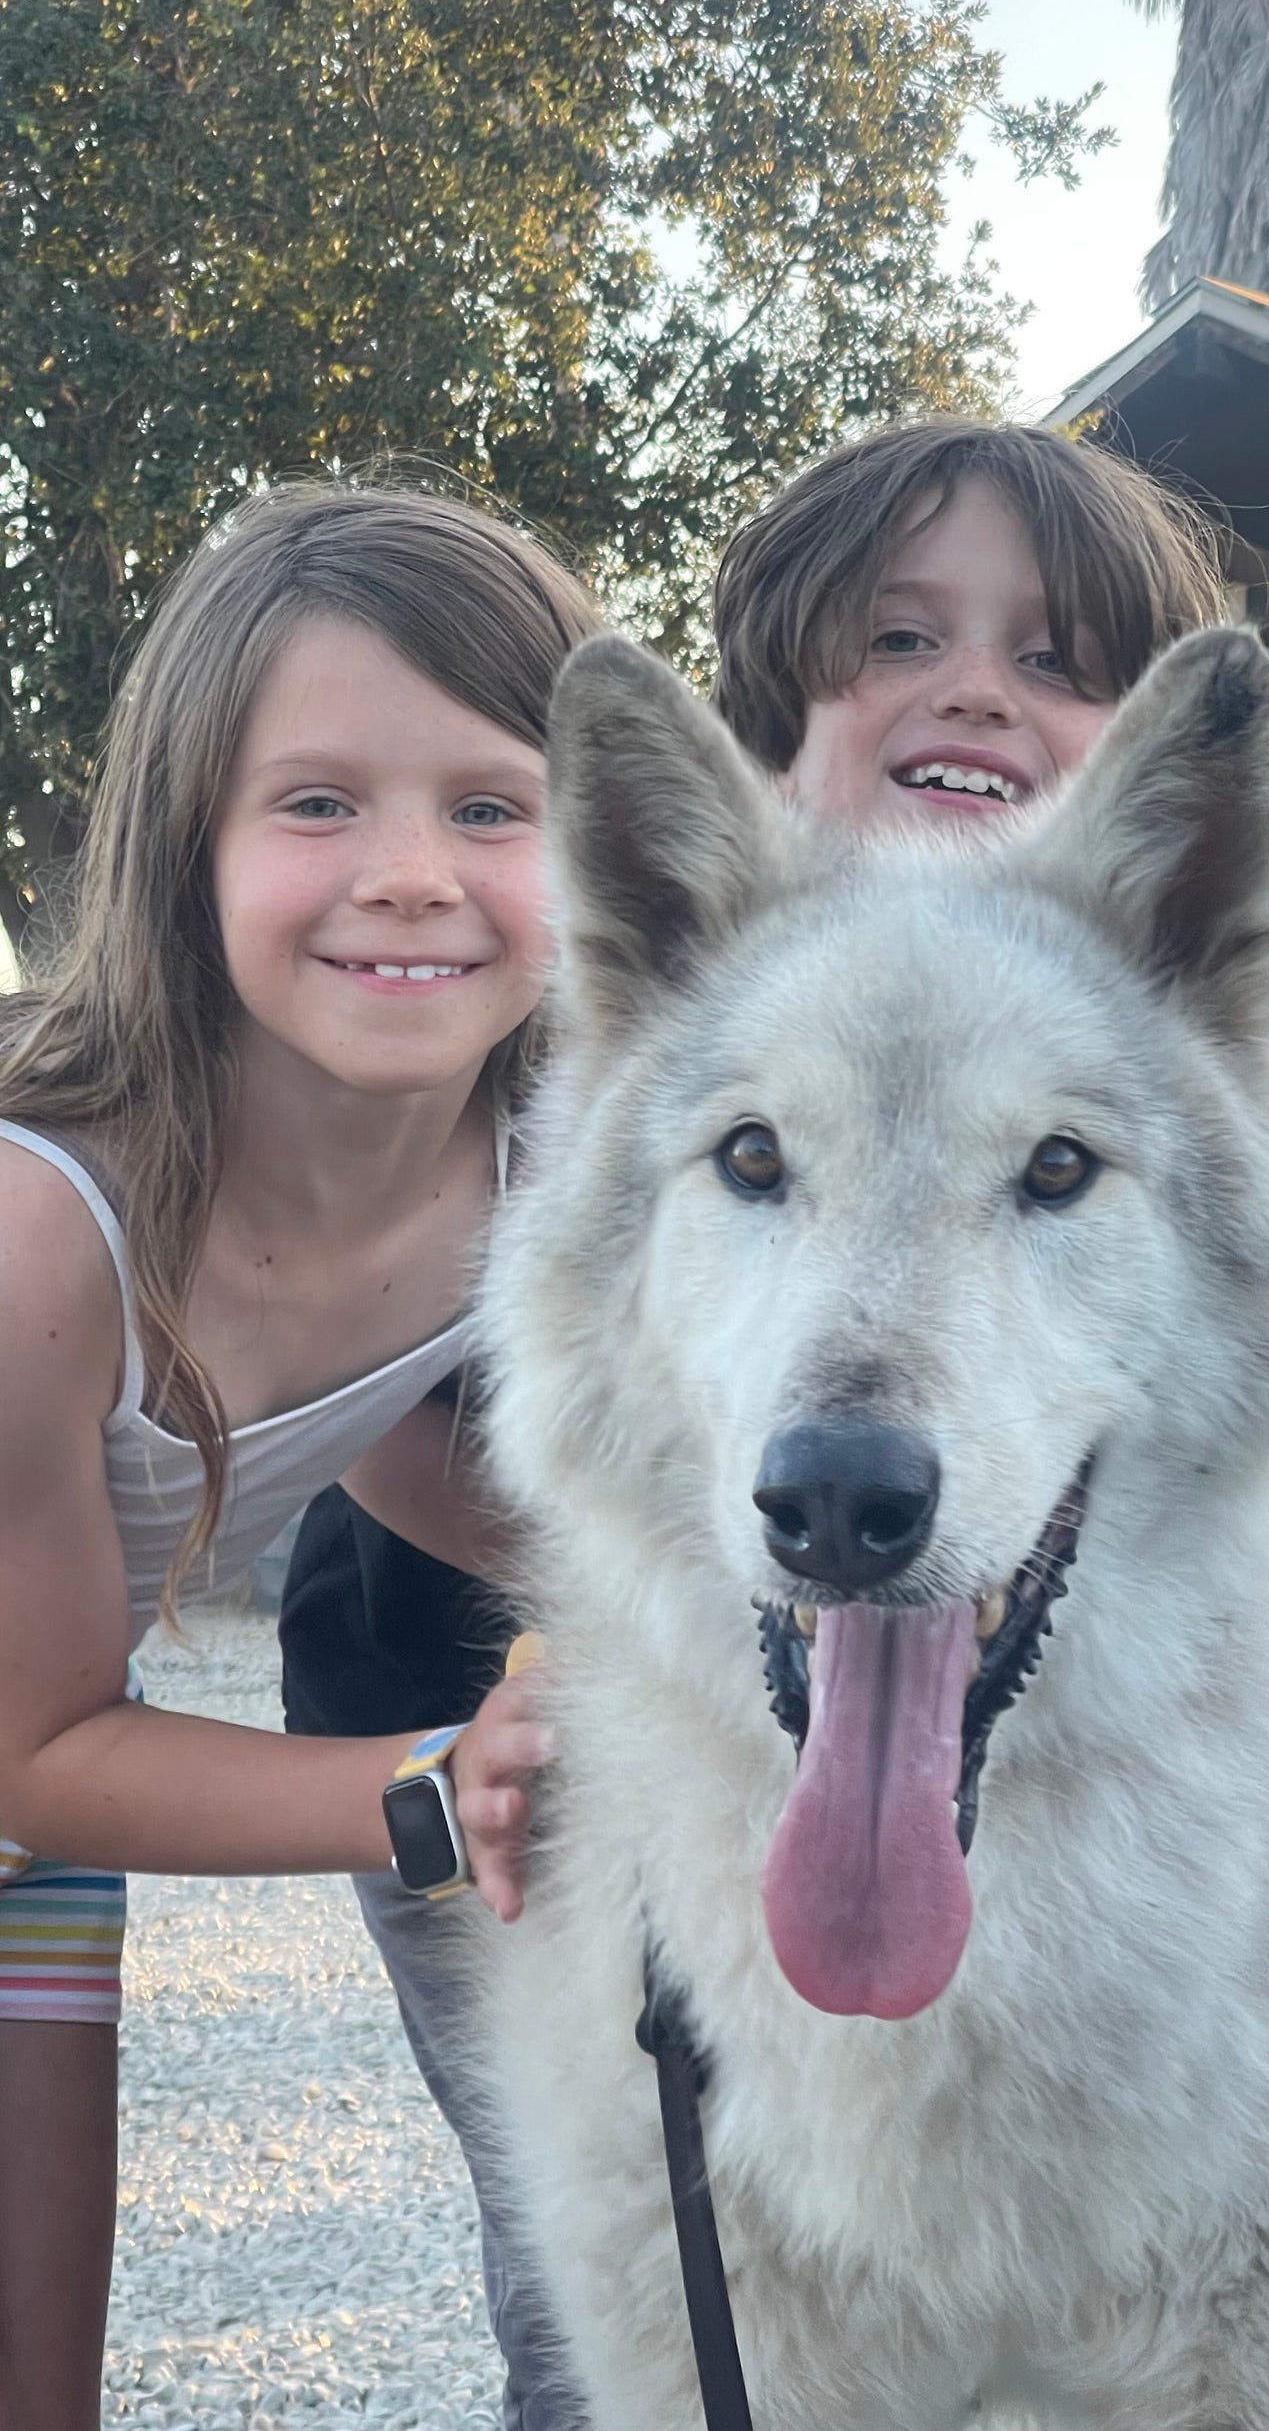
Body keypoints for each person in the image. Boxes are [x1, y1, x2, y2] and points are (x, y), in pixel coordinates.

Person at [279, 416, 1228, 2423]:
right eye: (898, 636)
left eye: (1054, 660)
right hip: (463, 1640)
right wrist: (618, 1601)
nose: (972, 686)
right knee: (623, 2274)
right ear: (776, 704)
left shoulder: (1145, 1041)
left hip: (881, 1629)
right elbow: (325, 1335)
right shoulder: (580, 957)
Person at [0, 480, 600, 2431]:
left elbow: (390, 1446)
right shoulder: (39, 1231)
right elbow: (45, 1750)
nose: (412, 871)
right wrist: (444, 1783)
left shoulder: (540, 1164)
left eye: (489, 805)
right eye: (320, 801)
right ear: (190, 845)